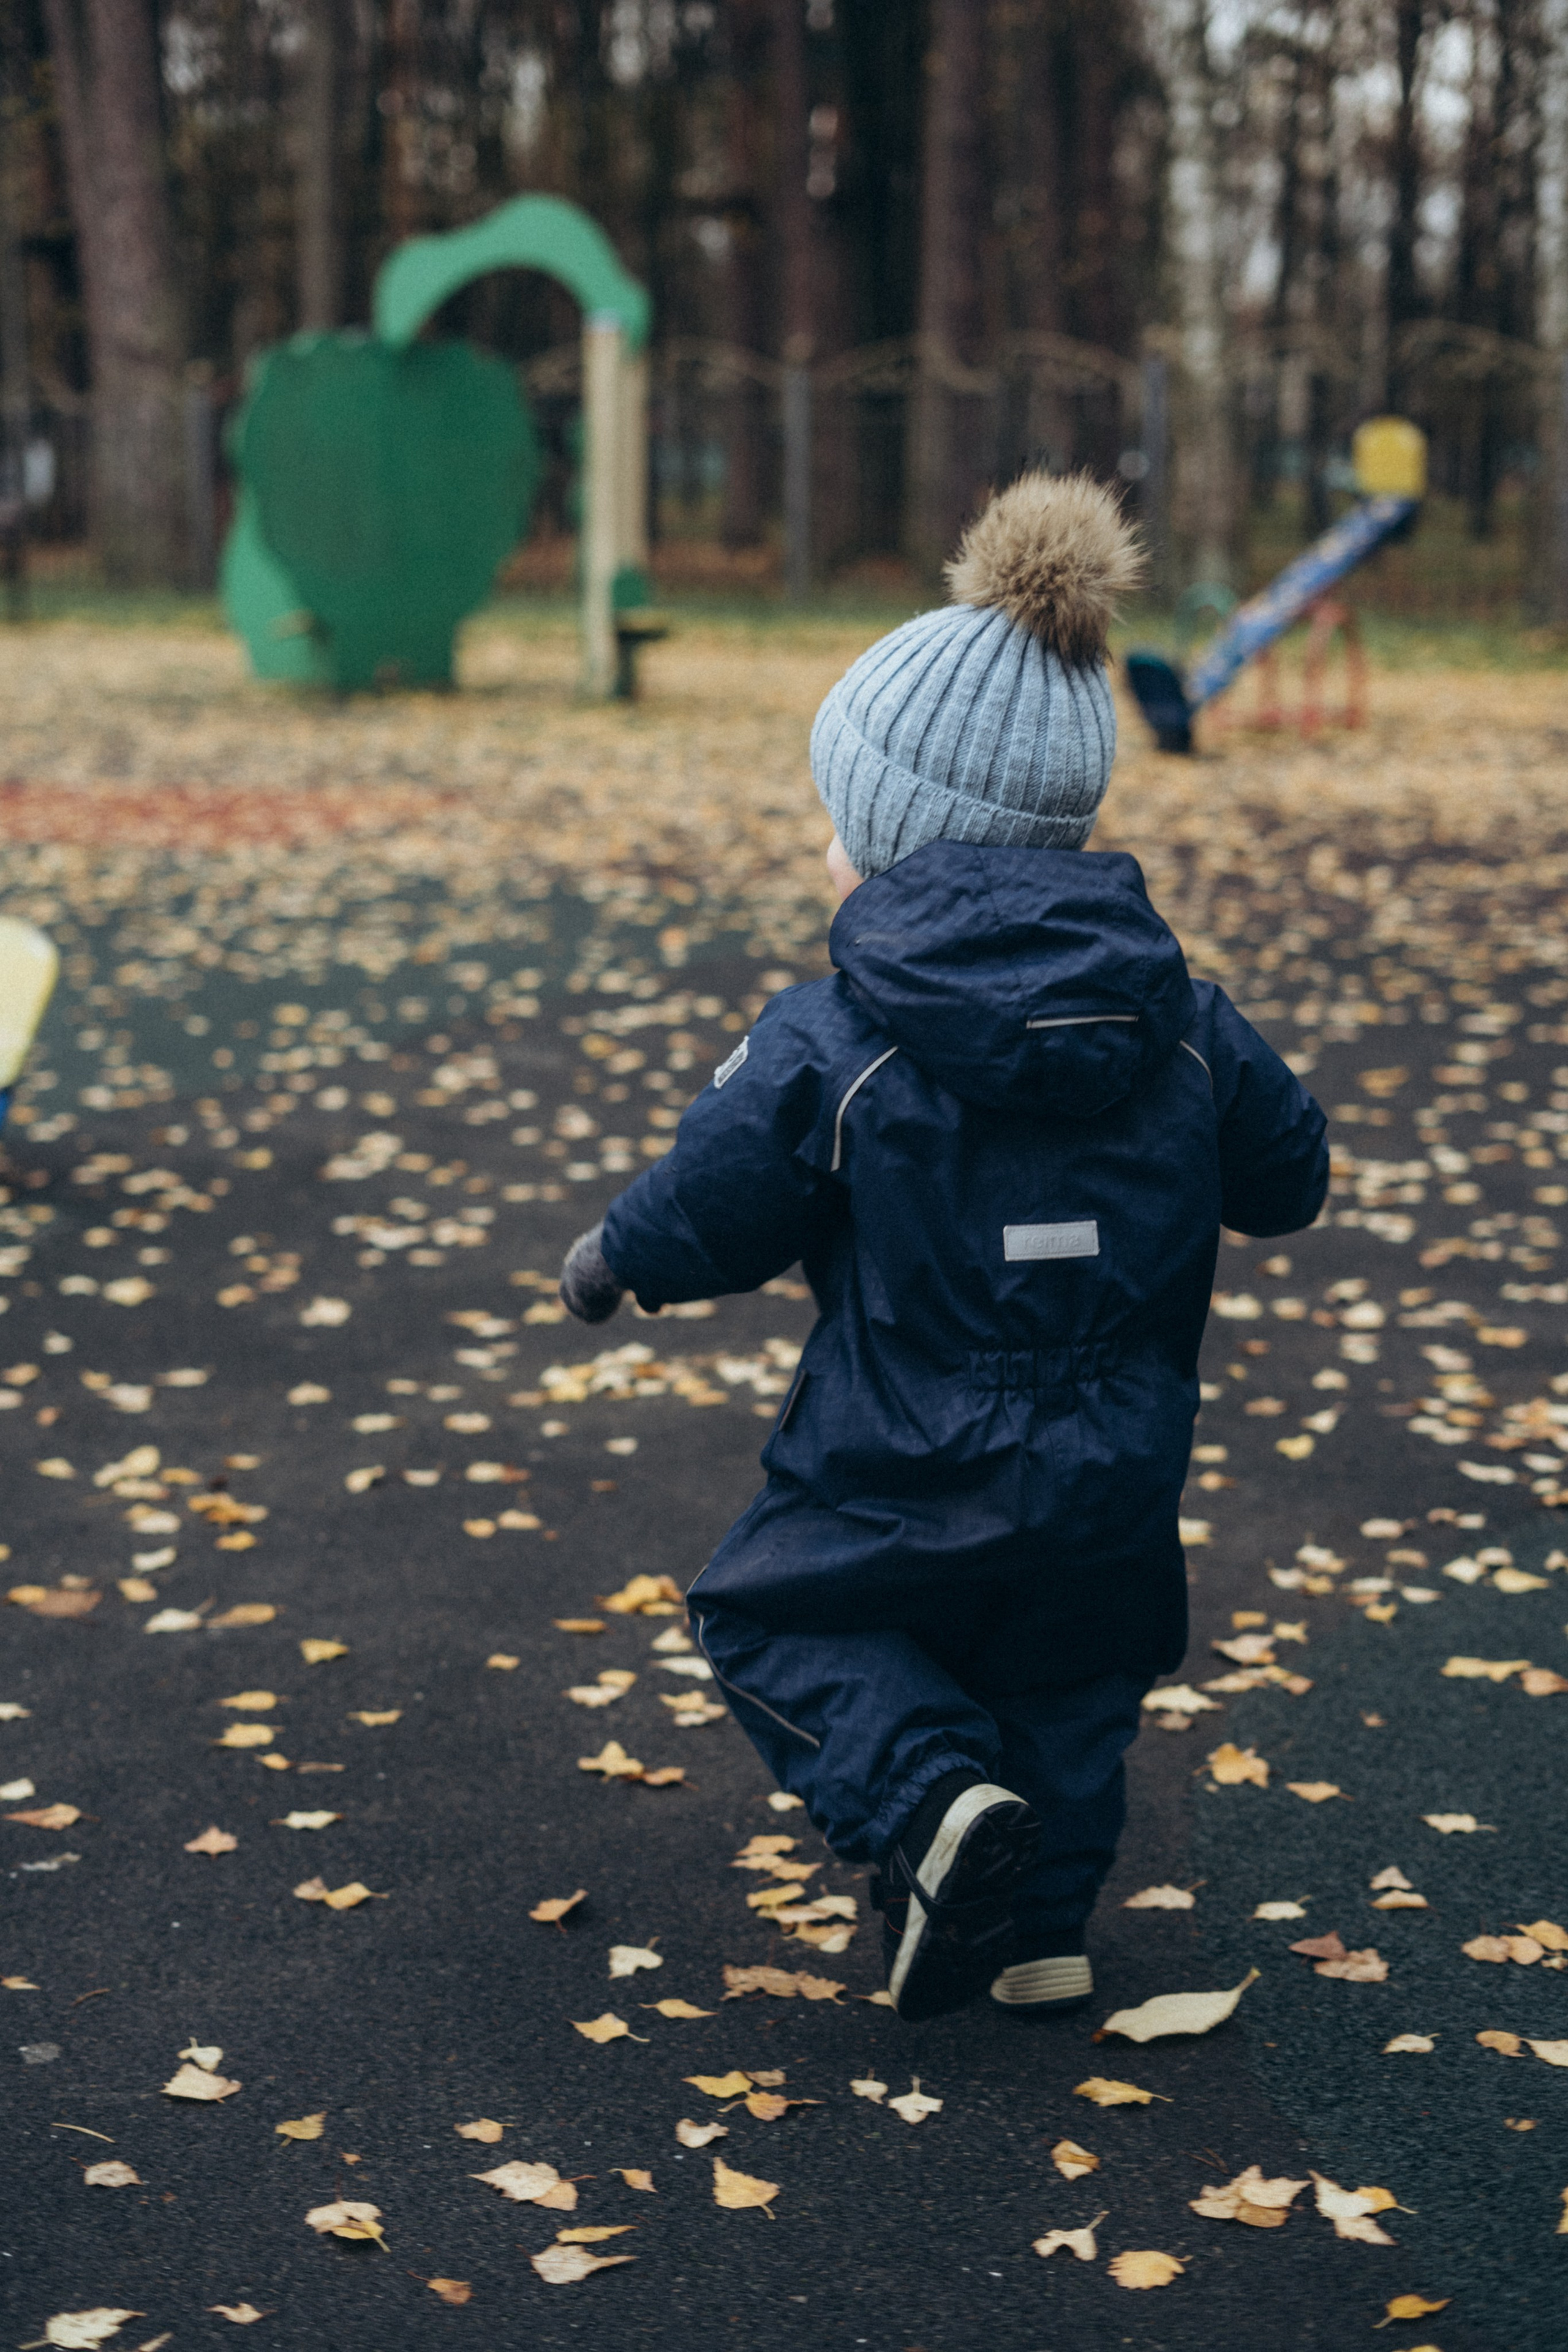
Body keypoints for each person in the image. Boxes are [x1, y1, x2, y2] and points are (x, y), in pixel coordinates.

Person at [559, 472, 1328, 2024]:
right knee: (1060, 1676)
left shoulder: (838, 1036)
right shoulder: (1179, 1020)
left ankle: (919, 1806)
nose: (826, 851)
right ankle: (1040, 1927)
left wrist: (615, 1255)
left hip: (896, 1446)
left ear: (898, 838)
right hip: (1118, 1455)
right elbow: (1288, 1174)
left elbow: (722, 1187)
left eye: (841, 823)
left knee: (771, 1613)